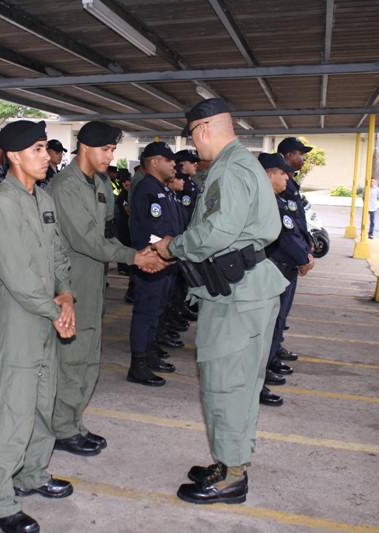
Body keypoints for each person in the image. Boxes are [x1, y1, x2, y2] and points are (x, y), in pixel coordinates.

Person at [154, 98, 287, 505]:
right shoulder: (243, 163)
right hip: (247, 288)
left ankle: (231, 475)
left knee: (226, 383)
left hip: (238, 296)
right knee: (241, 383)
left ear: (204, 129)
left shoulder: (229, 169)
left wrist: (173, 246)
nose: (195, 145)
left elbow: (217, 231)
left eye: (194, 136)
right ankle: (231, 461)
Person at [0, 120, 76, 533]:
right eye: (37, 149)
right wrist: (56, 311)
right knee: (12, 408)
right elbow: (16, 275)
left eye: (45, 149)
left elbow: (58, 253)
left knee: (42, 399)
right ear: (14, 156)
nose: (46, 156)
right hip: (19, 316)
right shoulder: (1, 203)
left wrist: (66, 294)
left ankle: (32, 474)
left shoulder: (43, 197)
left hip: (48, 310)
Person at [48, 121, 166, 456]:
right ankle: (62, 428)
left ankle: (75, 422)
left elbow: (107, 232)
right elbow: (86, 239)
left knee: (89, 357)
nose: (110, 156)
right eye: (105, 149)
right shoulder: (65, 186)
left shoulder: (99, 182)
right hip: (72, 282)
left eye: (113, 150)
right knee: (72, 359)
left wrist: (137, 253)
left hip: (94, 279)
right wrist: (133, 257)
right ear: (84, 147)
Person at [258, 152, 314, 407]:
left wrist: (305, 252)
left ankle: (263, 372)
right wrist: (303, 258)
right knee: (267, 328)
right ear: (269, 174)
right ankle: (257, 382)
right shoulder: (266, 202)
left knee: (275, 324)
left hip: (284, 267)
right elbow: (284, 237)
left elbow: (296, 228)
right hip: (275, 268)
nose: (286, 178)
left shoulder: (276, 200)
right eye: (282, 174)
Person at [127, 142, 181, 386]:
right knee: (145, 312)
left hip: (166, 261)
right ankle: (137, 365)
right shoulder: (147, 188)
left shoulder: (162, 189)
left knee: (157, 310)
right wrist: (160, 254)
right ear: (155, 162)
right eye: (169, 160)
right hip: (151, 260)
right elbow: (152, 229)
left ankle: (149, 353)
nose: (174, 164)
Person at [274, 136, 315, 365]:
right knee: (277, 311)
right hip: (284, 257)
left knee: (282, 310)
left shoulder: (290, 183)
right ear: (289, 155)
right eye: (301, 153)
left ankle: (275, 347)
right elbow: (286, 227)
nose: (303, 158)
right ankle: (270, 356)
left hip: (293, 254)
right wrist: (301, 255)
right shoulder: (283, 186)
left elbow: (297, 220)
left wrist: (307, 243)